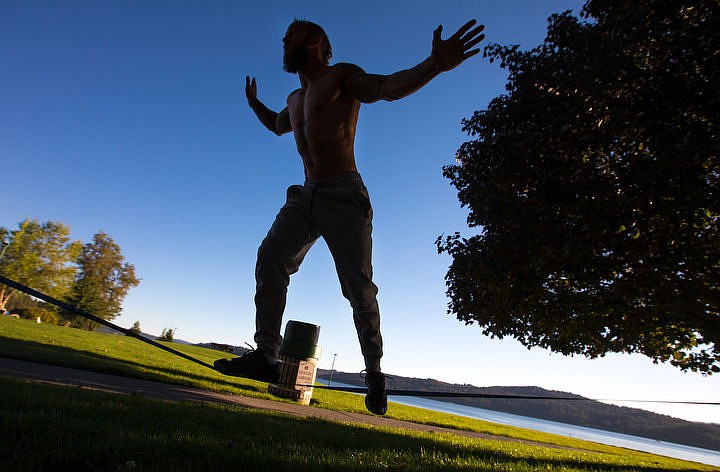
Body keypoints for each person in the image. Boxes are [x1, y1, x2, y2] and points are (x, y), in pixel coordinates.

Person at [215, 18, 485, 415]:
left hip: (345, 193)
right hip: (306, 195)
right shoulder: (293, 100)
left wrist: (434, 66)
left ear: (317, 42)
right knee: (270, 256)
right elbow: (276, 126)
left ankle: (374, 373)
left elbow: (386, 87)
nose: (284, 40)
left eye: (292, 36)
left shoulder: (341, 76)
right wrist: (254, 103)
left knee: (358, 288)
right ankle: (266, 356)